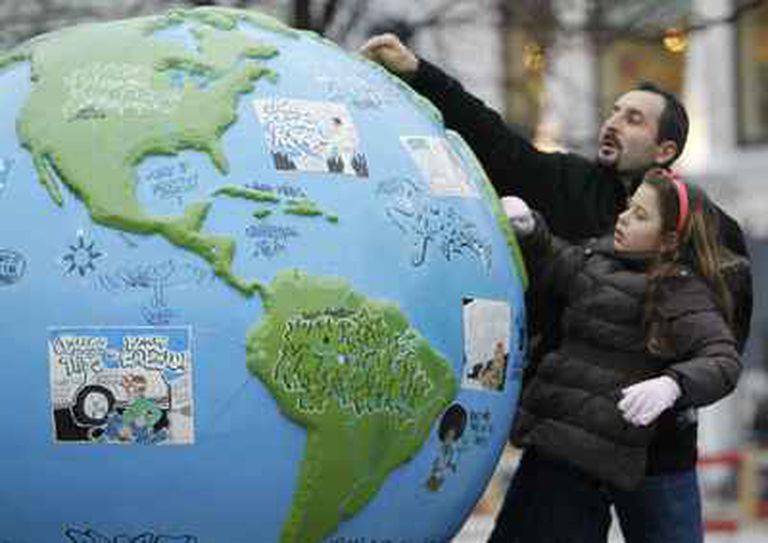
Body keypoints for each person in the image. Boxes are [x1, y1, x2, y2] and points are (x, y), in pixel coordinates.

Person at [359, 33, 752, 354]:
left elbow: (724, 334)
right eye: (614, 112)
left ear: (664, 151)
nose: (613, 124)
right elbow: (495, 141)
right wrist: (420, 72)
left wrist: (674, 387)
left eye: (633, 119)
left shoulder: (707, 224)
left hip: (647, 416)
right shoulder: (568, 179)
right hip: (555, 402)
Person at [494, 169, 741, 542]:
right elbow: (556, 260)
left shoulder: (678, 289)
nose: (624, 218)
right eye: (628, 207)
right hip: (549, 445)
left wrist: (672, 385)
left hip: (590, 465)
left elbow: (723, 360)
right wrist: (531, 229)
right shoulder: (601, 259)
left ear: (668, 240)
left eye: (640, 216)